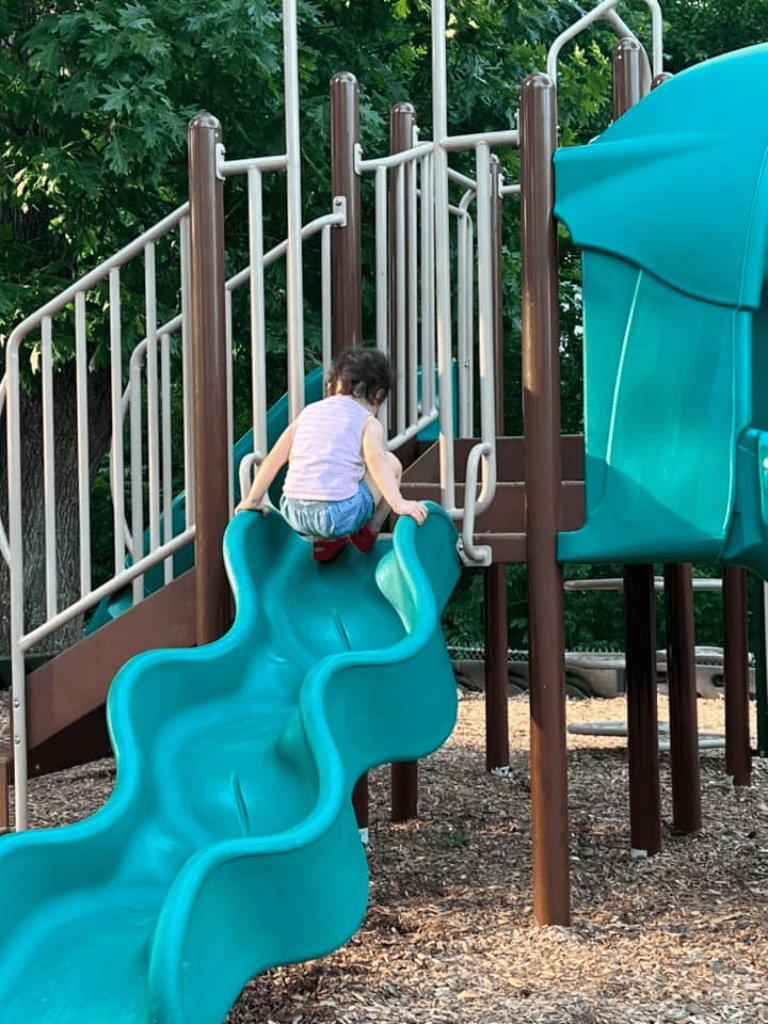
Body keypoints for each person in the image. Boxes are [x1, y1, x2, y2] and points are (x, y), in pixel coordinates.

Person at [234, 348, 429, 561]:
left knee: (341, 475)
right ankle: (366, 536)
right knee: (391, 464)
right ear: (379, 395)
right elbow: (376, 461)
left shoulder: (307, 413)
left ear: (332, 385)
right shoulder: (368, 422)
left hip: (293, 513)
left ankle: (326, 543)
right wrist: (398, 502)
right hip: (336, 518)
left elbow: (274, 459)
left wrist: (252, 500)